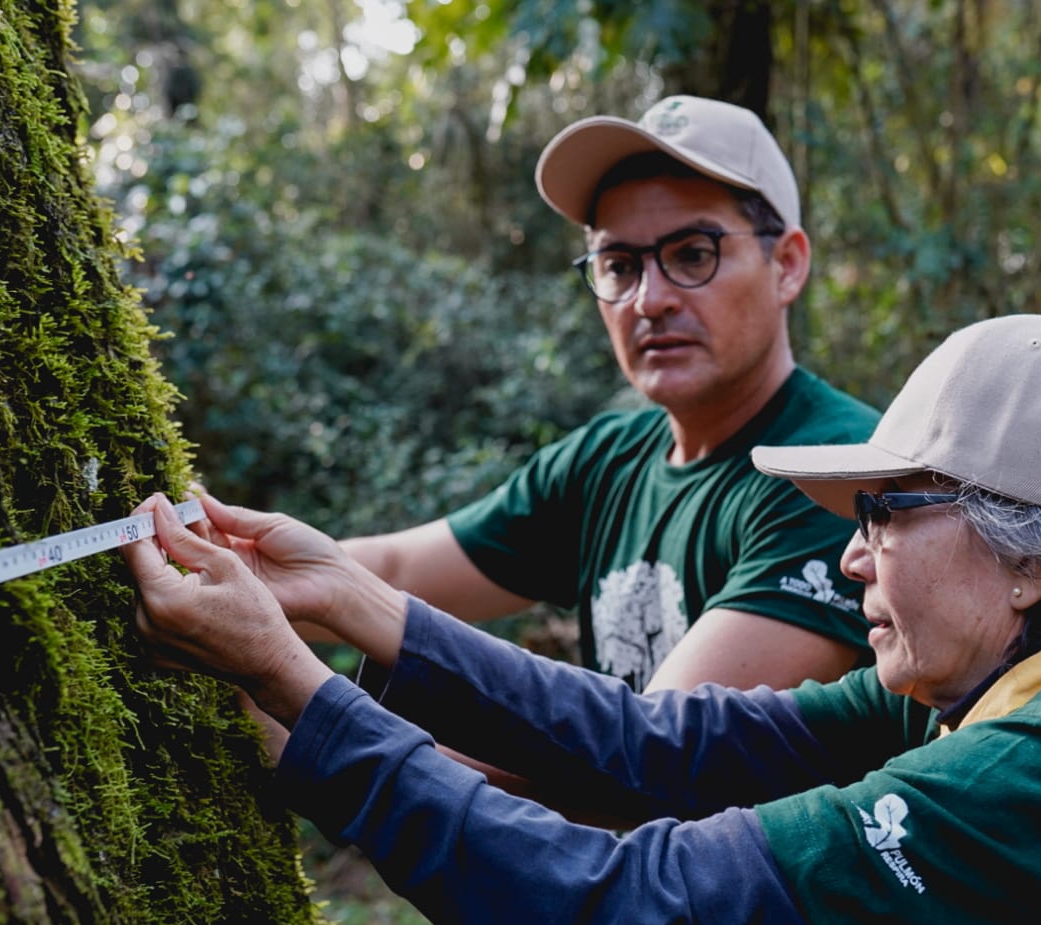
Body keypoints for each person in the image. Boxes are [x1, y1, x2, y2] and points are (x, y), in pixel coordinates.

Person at [125, 313, 1041, 925]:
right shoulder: (1036, 706)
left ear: (1035, 559)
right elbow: (664, 747)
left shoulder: (1038, 776)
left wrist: (295, 688)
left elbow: (613, 901)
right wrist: (355, 604)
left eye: (886, 512)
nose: (853, 555)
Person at [320, 94, 881, 697]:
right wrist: (225, 562)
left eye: (693, 254)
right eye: (619, 265)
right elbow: (393, 570)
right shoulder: (605, 463)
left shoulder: (837, 472)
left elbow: (659, 751)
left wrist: (317, 723)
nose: (649, 300)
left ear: (788, 265)